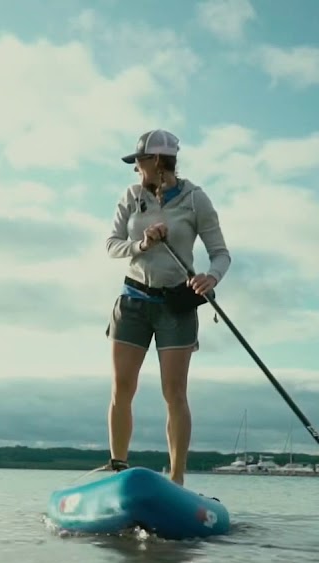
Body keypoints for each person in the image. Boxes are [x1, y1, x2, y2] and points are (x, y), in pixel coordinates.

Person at [104, 129, 231, 486]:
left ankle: (177, 481)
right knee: (122, 387)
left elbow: (221, 253)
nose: (135, 170)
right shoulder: (131, 196)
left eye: (139, 162)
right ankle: (118, 467)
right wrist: (142, 243)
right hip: (133, 301)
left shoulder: (196, 200)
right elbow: (112, 245)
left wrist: (212, 278)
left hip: (176, 305)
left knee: (174, 392)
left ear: (156, 162)